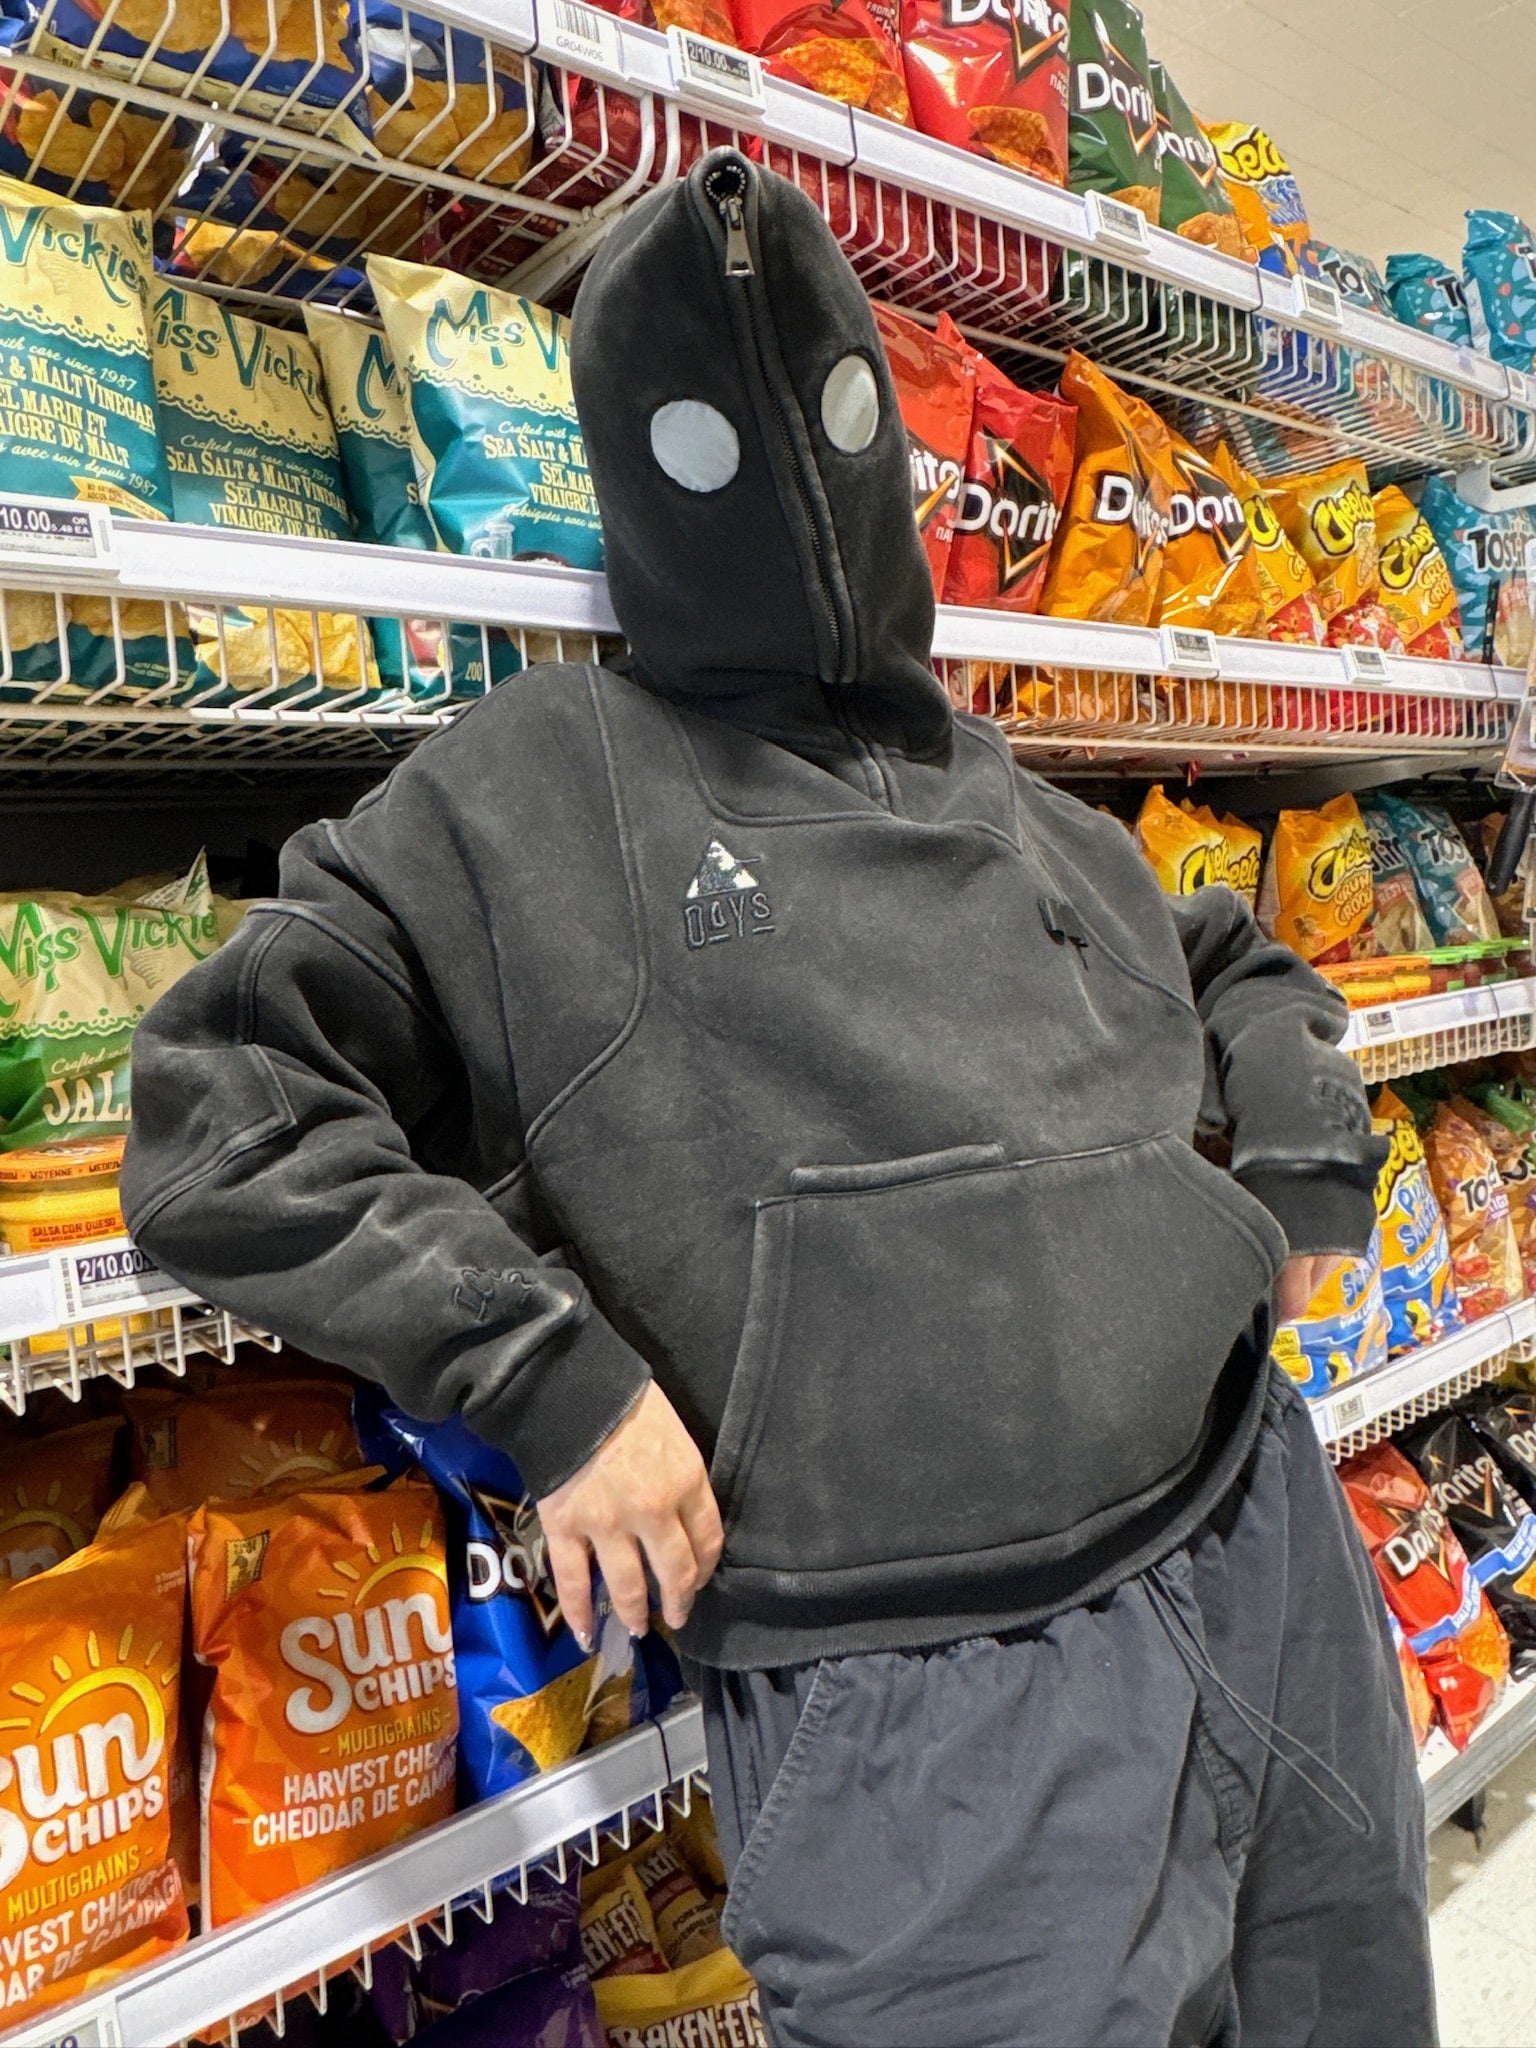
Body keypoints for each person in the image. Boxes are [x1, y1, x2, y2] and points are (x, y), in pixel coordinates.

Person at [122, 147, 1434, 2046]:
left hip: (1262, 1543)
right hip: (927, 1709)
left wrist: (1306, 1155)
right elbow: (222, 1098)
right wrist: (546, 1377)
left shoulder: (1005, 792)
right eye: (715, 438)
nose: (808, 486)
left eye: (836, 415)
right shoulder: (538, 790)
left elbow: (1238, 957)